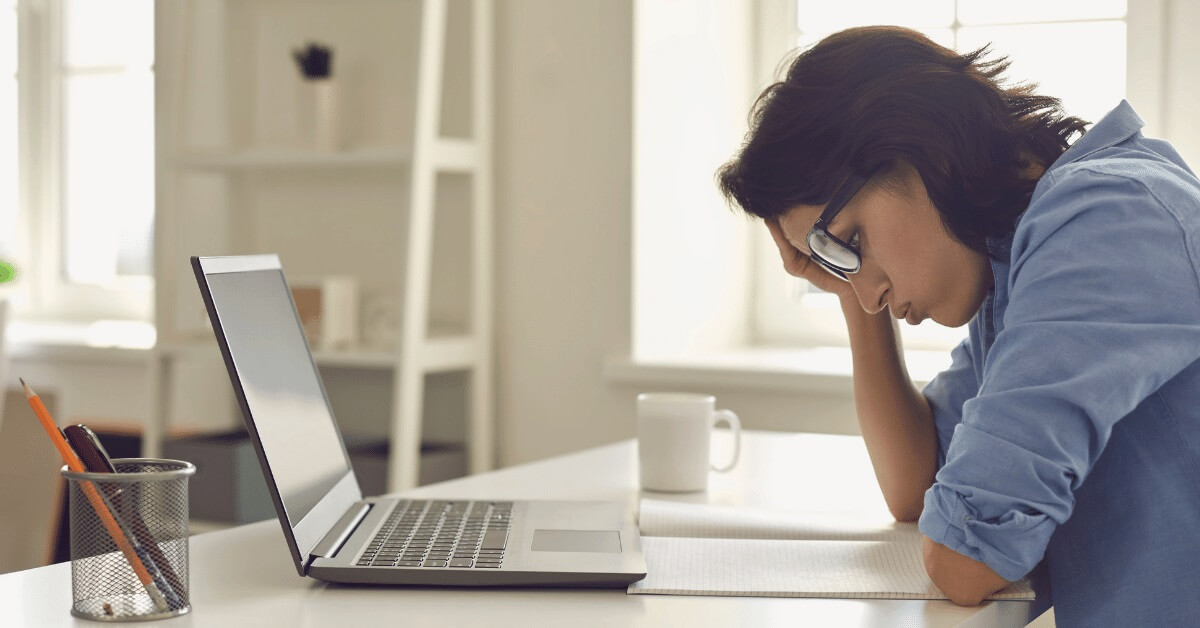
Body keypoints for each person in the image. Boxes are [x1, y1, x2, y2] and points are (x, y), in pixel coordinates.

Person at [716, 25, 1200, 626]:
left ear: (922, 150)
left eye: (853, 240)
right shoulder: (1017, 261)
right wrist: (848, 286)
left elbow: (968, 561)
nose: (870, 296)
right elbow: (915, 489)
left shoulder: (1108, 223)